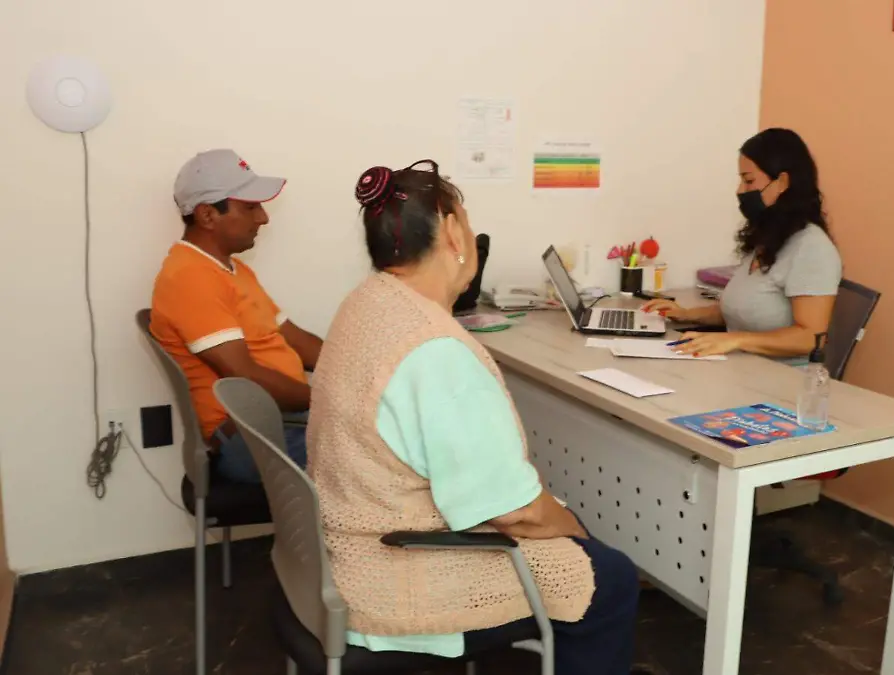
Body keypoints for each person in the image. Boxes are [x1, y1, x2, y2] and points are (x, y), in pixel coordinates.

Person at [307, 161, 645, 675]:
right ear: (451, 231)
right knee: (610, 577)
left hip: (342, 550)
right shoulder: (436, 351)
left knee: (571, 536)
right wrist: (577, 532)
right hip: (393, 579)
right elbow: (518, 514)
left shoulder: (364, 304)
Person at [149, 149, 323, 483]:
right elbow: (246, 378)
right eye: (250, 207)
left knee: (389, 437)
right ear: (207, 215)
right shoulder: (189, 277)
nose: (263, 218)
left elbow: (296, 340)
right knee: (383, 456)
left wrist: (360, 372)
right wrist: (331, 400)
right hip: (250, 436)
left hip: (278, 421)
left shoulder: (232, 270)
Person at [644, 128, 842, 362]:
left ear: (782, 182)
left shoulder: (812, 248)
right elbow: (740, 311)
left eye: (748, 181)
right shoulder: (769, 239)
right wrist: (685, 314)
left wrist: (736, 340)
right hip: (739, 367)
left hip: (782, 378)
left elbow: (810, 338)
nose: (740, 191)